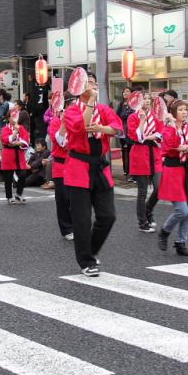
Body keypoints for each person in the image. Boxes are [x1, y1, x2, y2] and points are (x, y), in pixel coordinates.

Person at [64, 72, 122, 276]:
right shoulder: (71, 111)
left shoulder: (103, 109)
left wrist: (102, 128)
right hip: (79, 167)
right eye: (88, 83)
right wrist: (90, 103)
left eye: (94, 83)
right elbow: (80, 127)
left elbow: (117, 128)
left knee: (108, 216)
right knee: (82, 220)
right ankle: (86, 261)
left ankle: (91, 251)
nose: (92, 86)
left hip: (100, 166)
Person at [157, 100, 188, 256]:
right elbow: (170, 144)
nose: (184, 112)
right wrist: (174, 128)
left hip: (187, 170)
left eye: (185, 109)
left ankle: (181, 242)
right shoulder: (168, 129)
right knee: (181, 210)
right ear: (173, 113)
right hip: (173, 170)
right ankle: (164, 231)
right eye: (181, 110)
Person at [128, 92, 162, 232]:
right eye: (144, 99)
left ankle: (148, 210)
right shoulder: (133, 117)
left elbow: (161, 133)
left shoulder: (156, 116)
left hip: (155, 154)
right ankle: (143, 222)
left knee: (159, 187)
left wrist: (151, 136)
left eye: (149, 99)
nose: (147, 101)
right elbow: (137, 137)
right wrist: (142, 121)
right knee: (142, 191)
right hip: (139, 154)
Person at [48, 97, 74, 241]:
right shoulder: (55, 122)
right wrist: (64, 122)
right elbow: (59, 141)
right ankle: (66, 228)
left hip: (76, 164)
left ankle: (77, 225)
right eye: (70, 107)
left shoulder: (79, 121)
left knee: (77, 198)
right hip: (61, 164)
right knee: (63, 199)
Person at [0, 108, 30, 204]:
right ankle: (9, 196)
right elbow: (6, 140)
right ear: (9, 118)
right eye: (13, 116)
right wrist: (15, 133)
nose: (15, 118)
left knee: (22, 174)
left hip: (19, 154)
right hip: (8, 154)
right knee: (8, 177)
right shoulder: (5, 128)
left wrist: (18, 143)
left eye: (16, 116)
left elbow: (26, 140)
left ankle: (19, 194)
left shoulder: (22, 128)